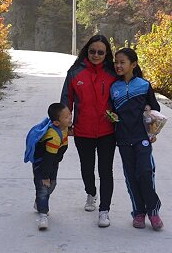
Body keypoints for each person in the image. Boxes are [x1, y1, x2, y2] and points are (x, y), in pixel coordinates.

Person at [60, 35, 117, 228]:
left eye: (101, 52)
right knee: (87, 168)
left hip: (107, 131)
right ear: (87, 50)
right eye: (92, 51)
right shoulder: (75, 72)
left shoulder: (112, 73)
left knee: (105, 170)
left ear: (107, 53)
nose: (96, 55)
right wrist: (64, 126)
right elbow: (66, 100)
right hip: (83, 130)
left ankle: (104, 210)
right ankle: (91, 193)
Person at [109, 47, 163, 230]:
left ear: (133, 64)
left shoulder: (144, 85)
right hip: (123, 139)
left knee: (145, 173)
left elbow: (156, 110)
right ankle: (138, 213)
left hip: (142, 138)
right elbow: (111, 111)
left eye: (122, 62)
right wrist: (111, 116)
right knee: (131, 177)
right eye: (116, 62)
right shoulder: (113, 87)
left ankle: (153, 212)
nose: (118, 65)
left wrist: (152, 131)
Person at [32, 103, 72, 230]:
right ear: (56, 123)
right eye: (66, 117)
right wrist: (44, 176)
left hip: (53, 162)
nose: (70, 118)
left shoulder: (64, 128)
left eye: (70, 114)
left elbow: (61, 150)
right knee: (44, 187)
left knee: (52, 184)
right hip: (42, 163)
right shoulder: (53, 136)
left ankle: (39, 202)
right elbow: (48, 159)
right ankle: (43, 215)